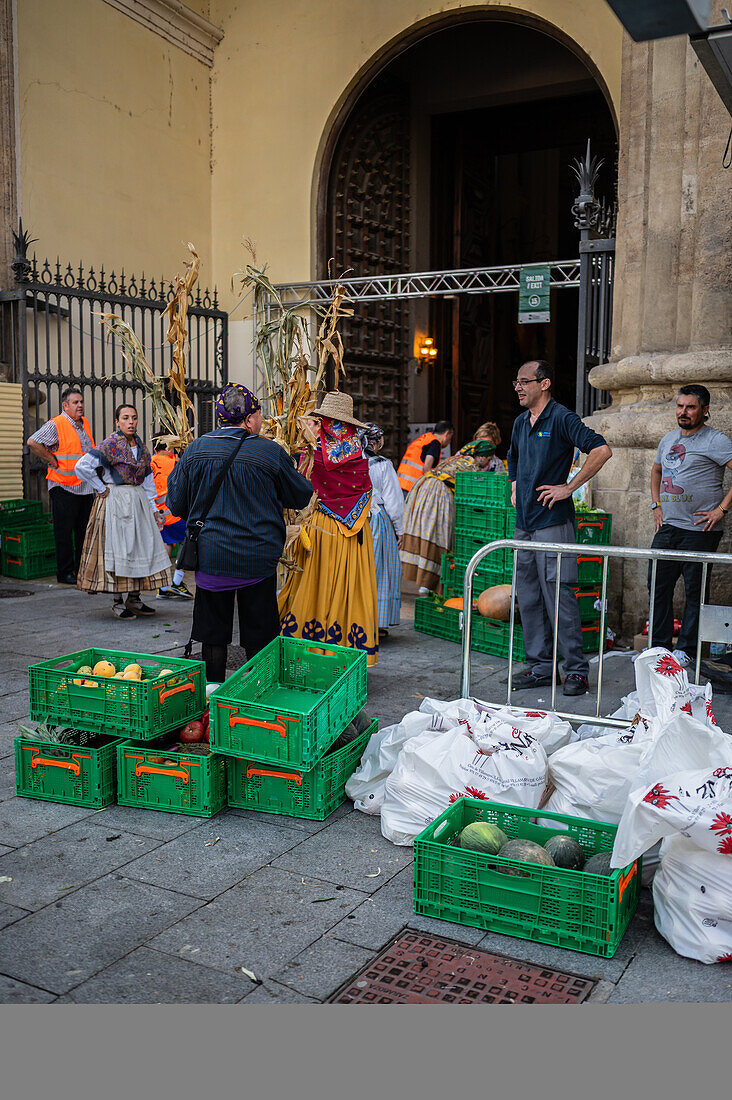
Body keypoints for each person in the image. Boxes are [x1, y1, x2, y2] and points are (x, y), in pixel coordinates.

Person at [167, 383, 313, 684]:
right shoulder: (270, 452)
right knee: (259, 632)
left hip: (211, 556)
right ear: (249, 419)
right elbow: (300, 495)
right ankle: (260, 693)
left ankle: (211, 694)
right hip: (257, 559)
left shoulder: (196, 449)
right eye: (259, 414)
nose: (261, 420)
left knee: (212, 632)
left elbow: (176, 503)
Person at [507, 360, 612, 697]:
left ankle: (576, 672)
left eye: (525, 382)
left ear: (545, 383)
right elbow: (514, 458)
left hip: (553, 522)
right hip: (525, 524)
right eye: (517, 382)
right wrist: (513, 485)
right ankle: (541, 668)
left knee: (559, 597)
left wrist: (569, 487)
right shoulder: (521, 422)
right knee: (529, 596)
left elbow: (601, 449)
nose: (519, 388)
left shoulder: (563, 418)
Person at [278, 390, 380, 667]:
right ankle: (346, 651)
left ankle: (311, 647)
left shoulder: (315, 453)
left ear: (324, 420)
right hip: (355, 530)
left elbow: (300, 487)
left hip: (321, 527)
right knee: (349, 588)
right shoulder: (358, 452)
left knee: (316, 583)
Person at [648, 384, 732, 664]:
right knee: (657, 586)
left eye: (691, 407)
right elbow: (657, 470)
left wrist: (721, 510)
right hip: (668, 527)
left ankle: (686, 651)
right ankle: (659, 647)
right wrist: (656, 505)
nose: (683, 412)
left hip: (700, 530)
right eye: (680, 406)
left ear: (705, 410)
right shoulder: (669, 438)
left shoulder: (715, 440)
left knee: (696, 592)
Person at [74, 404, 172, 618]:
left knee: (139, 547)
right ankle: (118, 601)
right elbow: (82, 466)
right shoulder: (109, 445)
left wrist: (153, 508)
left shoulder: (141, 448)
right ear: (117, 422)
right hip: (115, 500)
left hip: (137, 502)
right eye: (126, 418)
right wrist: (100, 488)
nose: (131, 422)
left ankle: (134, 598)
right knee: (119, 549)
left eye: (134, 418)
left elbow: (147, 482)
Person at [401, 424, 501, 595]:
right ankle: (429, 582)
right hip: (438, 497)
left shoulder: (462, 458)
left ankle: (427, 582)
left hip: (425, 492)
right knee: (438, 536)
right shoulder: (471, 464)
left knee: (429, 534)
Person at [27, 387, 95, 585]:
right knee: (64, 533)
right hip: (63, 486)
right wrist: (50, 458)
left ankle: (80, 570)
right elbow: (32, 442)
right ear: (65, 406)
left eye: (81, 401)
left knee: (83, 531)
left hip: (84, 487)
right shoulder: (56, 424)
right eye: (75, 402)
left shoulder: (84, 424)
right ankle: (65, 573)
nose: (80, 405)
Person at [359, 421, 404, 638]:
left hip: (355, 519)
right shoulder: (382, 464)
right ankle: (375, 622)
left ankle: (356, 619)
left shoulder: (351, 462)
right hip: (378, 520)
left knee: (359, 571)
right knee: (379, 572)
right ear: (377, 443)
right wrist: (399, 529)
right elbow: (394, 501)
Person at [151, 439, 193, 601]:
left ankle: (163, 586)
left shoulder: (151, 462)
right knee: (187, 542)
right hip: (176, 513)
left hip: (160, 513)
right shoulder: (175, 462)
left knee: (167, 543)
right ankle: (176, 582)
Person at [397, 420, 454, 495]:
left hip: (399, 484)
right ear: (446, 434)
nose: (449, 441)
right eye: (450, 438)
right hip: (412, 487)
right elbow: (426, 467)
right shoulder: (435, 443)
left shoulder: (424, 439)